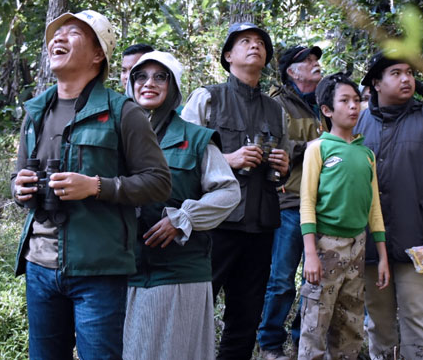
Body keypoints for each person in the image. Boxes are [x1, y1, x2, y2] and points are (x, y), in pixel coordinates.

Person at [11, 10, 171, 359]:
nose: (58, 38)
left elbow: (159, 182)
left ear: (98, 54)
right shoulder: (35, 112)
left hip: (99, 268)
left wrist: (97, 186)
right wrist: (19, 187)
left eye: (72, 33)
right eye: (56, 34)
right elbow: (19, 176)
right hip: (40, 266)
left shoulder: (122, 112)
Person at [181, 22, 290, 359]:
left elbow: (281, 170)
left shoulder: (277, 110)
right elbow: (181, 154)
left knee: (245, 317)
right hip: (215, 225)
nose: (254, 46)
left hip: (260, 226)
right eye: (245, 41)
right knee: (194, 311)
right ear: (228, 55)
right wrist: (227, 159)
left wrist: (284, 166)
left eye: (260, 43)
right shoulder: (208, 98)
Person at [122, 50, 240, 360]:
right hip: (124, 271)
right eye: (141, 77)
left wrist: (184, 217)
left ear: (173, 87)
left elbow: (227, 191)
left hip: (178, 273)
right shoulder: (116, 137)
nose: (149, 83)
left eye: (160, 77)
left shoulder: (195, 137)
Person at [355, 52, 423, 360]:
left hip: (418, 239)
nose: (406, 79)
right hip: (371, 245)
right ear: (376, 83)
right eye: (396, 73)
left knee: (417, 317)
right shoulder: (358, 123)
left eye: (409, 73)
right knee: (378, 321)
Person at [297, 74, 390, 359]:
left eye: (357, 100)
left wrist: (383, 255)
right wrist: (310, 253)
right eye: (345, 101)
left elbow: (374, 208)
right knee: (315, 323)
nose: (354, 107)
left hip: (358, 246)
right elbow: (307, 202)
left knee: (350, 323)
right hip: (326, 246)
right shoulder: (318, 149)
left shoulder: (366, 154)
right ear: (326, 110)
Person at [258, 45, 326, 360]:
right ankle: (270, 343)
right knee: (282, 278)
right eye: (307, 61)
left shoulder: (327, 102)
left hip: (325, 204)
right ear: (291, 71)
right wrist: (313, 146)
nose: (314, 64)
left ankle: (303, 340)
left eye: (316, 60)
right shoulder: (277, 104)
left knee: (317, 279)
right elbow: (272, 147)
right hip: (290, 202)